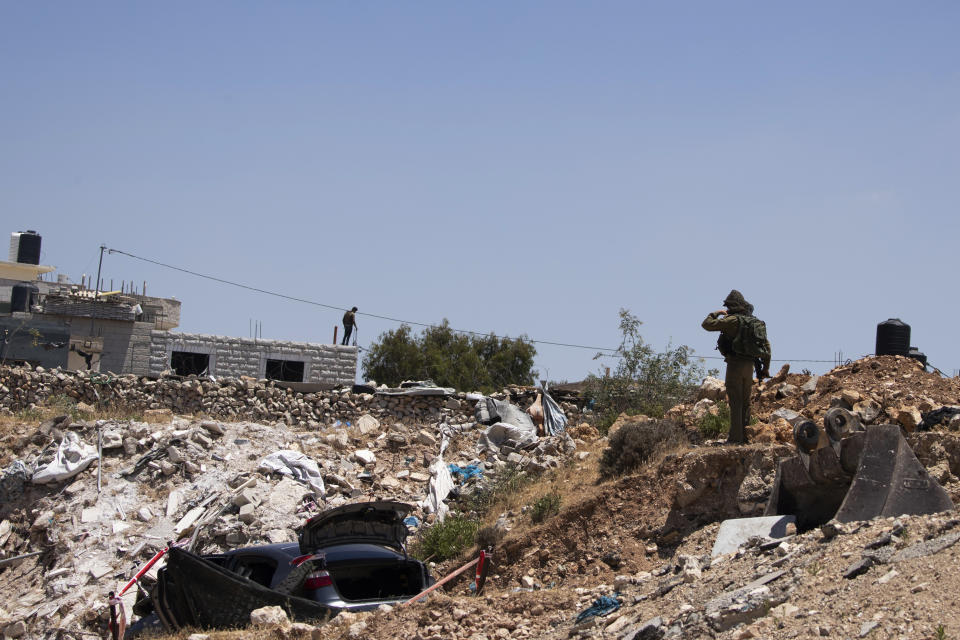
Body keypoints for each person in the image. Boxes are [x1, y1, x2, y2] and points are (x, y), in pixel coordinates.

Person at [701, 290, 771, 444]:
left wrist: (716, 313)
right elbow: (767, 346)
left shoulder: (732, 321)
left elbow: (706, 325)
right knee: (745, 402)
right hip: (750, 366)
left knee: (735, 401)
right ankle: (745, 437)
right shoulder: (754, 322)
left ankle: (735, 438)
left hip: (735, 365)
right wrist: (766, 368)